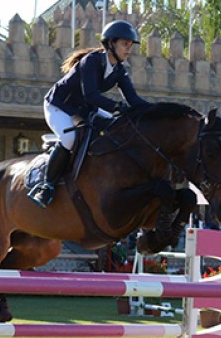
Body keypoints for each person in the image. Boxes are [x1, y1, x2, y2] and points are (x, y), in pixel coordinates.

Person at [29, 20, 149, 209]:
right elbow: (91, 95)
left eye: (130, 45)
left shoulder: (119, 71)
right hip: (59, 106)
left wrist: (154, 111)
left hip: (84, 109)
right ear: (111, 43)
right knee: (70, 139)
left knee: (115, 128)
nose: (129, 50)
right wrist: (118, 106)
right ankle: (47, 186)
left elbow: (133, 99)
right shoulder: (91, 61)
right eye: (125, 44)